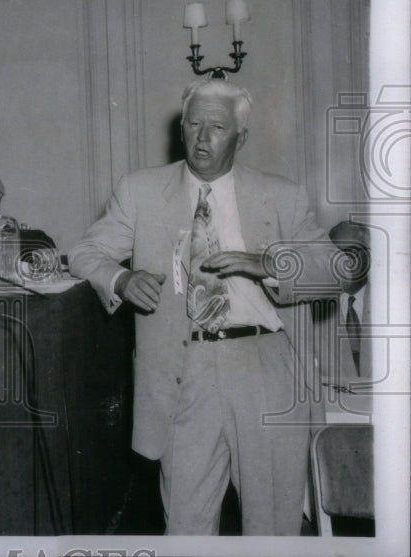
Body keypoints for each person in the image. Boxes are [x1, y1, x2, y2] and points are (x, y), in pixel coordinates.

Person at [68, 77, 334, 535]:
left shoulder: (282, 195)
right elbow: (84, 254)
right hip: (180, 370)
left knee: (272, 525)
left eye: (217, 127)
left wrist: (266, 263)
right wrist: (122, 277)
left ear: (241, 137)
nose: (202, 137)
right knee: (186, 525)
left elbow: (330, 270)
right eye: (193, 124)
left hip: (264, 365)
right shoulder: (141, 190)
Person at [318, 220, 372, 381]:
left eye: (352, 251)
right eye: (336, 252)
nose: (344, 260)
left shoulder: (394, 303)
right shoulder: (314, 309)